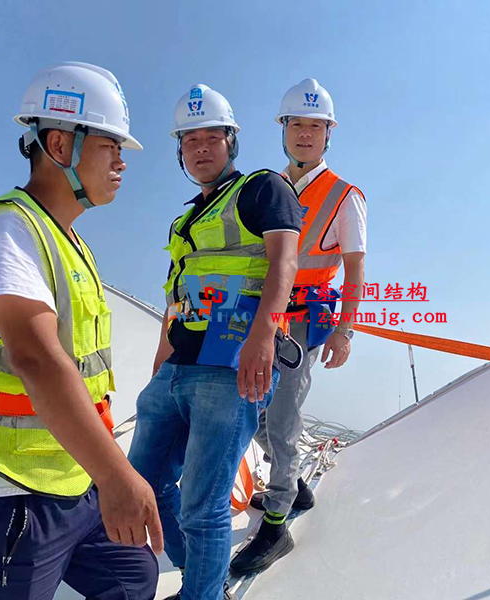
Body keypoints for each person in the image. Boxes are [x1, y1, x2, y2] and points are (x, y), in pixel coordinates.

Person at [0, 62, 162, 599]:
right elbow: (36, 359)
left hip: (72, 476)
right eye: (110, 146)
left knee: (132, 578)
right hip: (5, 490)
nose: (122, 162)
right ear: (59, 144)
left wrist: (102, 474)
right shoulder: (7, 230)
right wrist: (117, 476)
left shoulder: (68, 242)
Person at [127, 84, 302, 600]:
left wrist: (263, 337)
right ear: (180, 151)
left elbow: (285, 262)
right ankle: (202, 579)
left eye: (211, 139)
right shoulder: (184, 221)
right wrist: (160, 368)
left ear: (231, 142)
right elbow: (176, 297)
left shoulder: (264, 189)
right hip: (178, 368)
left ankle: (201, 593)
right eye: (190, 141)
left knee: (202, 504)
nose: (200, 149)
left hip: (231, 367)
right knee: (143, 486)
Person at [230, 78, 367, 576]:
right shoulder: (268, 187)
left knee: (284, 418)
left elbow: (355, 269)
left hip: (305, 323)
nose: (305, 134)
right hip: (261, 316)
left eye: (315, 126)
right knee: (255, 412)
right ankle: (295, 488)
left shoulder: (344, 196)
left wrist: (345, 331)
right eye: (296, 125)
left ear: (329, 133)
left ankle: (277, 523)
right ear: (283, 130)